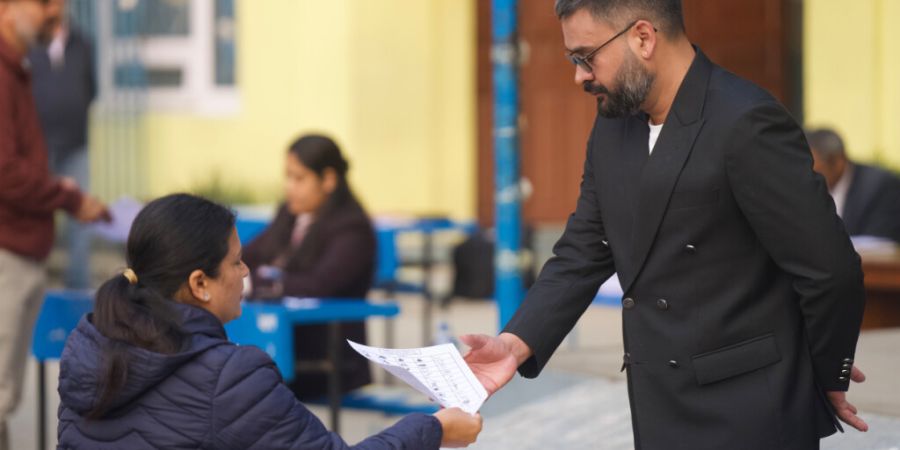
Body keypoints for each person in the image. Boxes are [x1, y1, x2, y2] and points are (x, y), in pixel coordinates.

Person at [461, 1, 867, 449]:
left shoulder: (745, 120)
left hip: (752, 414)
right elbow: (583, 249)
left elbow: (830, 269)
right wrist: (515, 343)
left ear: (642, 37)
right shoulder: (614, 125)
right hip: (659, 410)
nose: (580, 76)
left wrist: (827, 371)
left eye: (585, 56)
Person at [57, 193, 482, 449]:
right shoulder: (230, 378)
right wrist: (431, 430)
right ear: (199, 283)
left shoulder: (90, 345)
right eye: (236, 262)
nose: (246, 273)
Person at [0, 1, 108, 448]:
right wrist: (67, 197)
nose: (55, 12)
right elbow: (5, 171)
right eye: (44, 2)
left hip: (21, 248)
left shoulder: (16, 68)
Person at [243, 134, 377, 400]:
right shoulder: (290, 214)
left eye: (299, 178)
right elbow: (249, 254)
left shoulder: (352, 228)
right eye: (287, 177)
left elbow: (319, 284)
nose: (289, 187)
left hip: (326, 360)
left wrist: (251, 283)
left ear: (328, 179)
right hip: (285, 350)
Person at [28, 0, 97, 288]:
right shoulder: (31, 44)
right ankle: (35, 285)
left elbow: (92, 89)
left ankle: (78, 286)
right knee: (36, 216)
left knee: (80, 219)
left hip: (75, 146)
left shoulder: (82, 43)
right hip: (39, 148)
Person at [807, 127, 900, 243]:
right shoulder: (806, 191)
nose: (809, 177)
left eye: (815, 170)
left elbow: (881, 243)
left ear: (838, 162)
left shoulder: (881, 186)